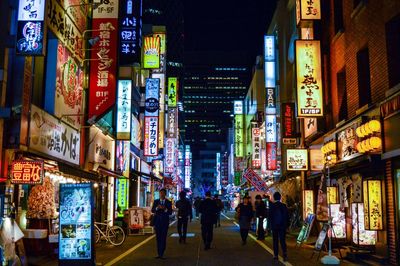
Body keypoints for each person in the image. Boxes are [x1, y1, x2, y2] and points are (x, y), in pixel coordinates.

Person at [151, 188, 173, 259]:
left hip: (164, 223)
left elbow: (170, 212)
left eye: (163, 193)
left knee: (163, 238)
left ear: (165, 194)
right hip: (157, 222)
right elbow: (152, 210)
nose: (161, 195)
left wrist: (165, 209)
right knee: (158, 238)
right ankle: (159, 253)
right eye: (160, 193)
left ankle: (161, 253)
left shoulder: (168, 202)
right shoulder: (156, 201)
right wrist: (157, 208)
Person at [270, 192, 289, 261]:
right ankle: (284, 254)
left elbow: (270, 217)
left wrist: (270, 226)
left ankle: (276, 255)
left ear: (274, 198)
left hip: (274, 226)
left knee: (275, 240)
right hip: (282, 226)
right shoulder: (284, 206)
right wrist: (287, 226)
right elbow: (287, 216)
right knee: (282, 240)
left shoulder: (272, 206)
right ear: (280, 197)